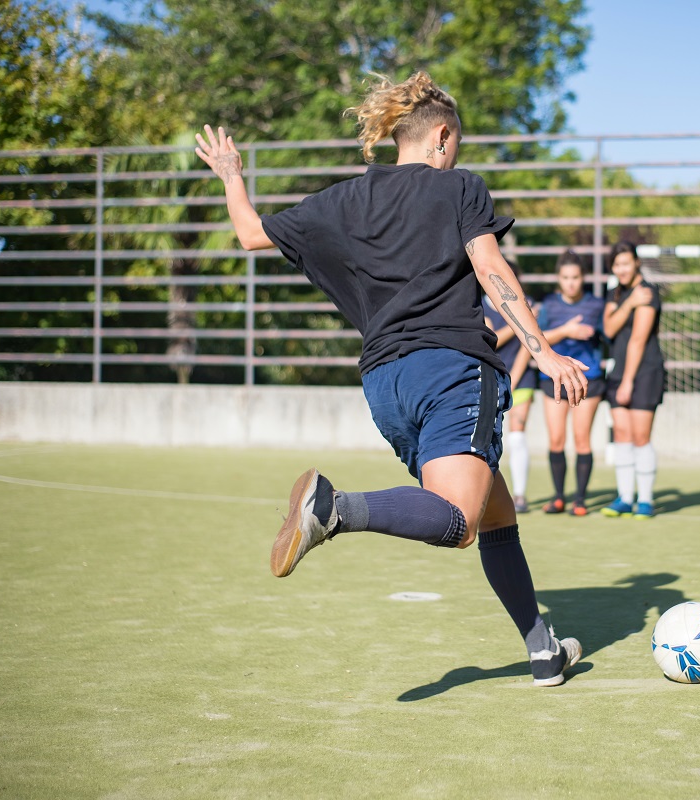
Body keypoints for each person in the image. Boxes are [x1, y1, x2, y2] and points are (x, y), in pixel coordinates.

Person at [193, 72, 586, 687]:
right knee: (458, 519)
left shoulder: (344, 201)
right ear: (442, 137)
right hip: (452, 369)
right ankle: (335, 509)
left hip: (385, 385)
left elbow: (248, 234)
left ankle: (543, 649)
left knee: (495, 510)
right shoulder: (459, 188)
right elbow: (489, 266)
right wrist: (545, 351)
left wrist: (232, 175)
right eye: (456, 144)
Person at [536, 250, 606, 516]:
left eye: (575, 277)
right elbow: (538, 340)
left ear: (583, 278)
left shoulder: (596, 305)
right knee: (556, 440)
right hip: (553, 380)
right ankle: (558, 497)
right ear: (559, 279)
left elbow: (609, 334)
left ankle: (580, 500)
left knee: (582, 440)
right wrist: (566, 331)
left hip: (588, 380)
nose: (571, 282)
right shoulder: (550, 305)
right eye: (566, 277)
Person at [601, 241, 665, 520]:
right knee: (622, 436)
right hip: (618, 372)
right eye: (617, 264)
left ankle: (646, 500)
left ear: (636, 263)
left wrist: (628, 381)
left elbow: (638, 340)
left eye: (626, 263)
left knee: (640, 437)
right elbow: (609, 328)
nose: (622, 269)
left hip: (644, 372)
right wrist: (628, 303)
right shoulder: (618, 294)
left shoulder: (648, 292)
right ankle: (625, 498)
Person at [483, 260, 541, 513]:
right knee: (487, 439)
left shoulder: (527, 303)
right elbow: (490, 341)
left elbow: (531, 345)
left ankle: (520, 496)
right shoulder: (479, 304)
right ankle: (484, 495)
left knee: (517, 435)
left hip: (522, 378)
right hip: (491, 378)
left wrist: (514, 377)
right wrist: (520, 321)